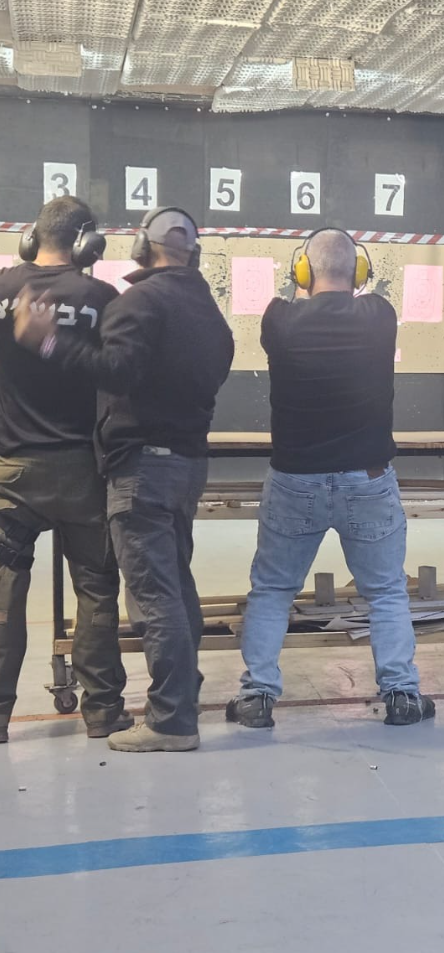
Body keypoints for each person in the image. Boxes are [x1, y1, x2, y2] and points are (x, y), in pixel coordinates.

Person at [14, 206, 234, 752]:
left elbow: (117, 371)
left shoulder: (139, 301)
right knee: (163, 588)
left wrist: (47, 339)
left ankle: (171, 720)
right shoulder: (201, 306)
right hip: (177, 464)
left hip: (134, 469)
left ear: (141, 247)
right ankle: (149, 702)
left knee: (154, 597)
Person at [226, 228, 434, 729]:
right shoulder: (380, 315)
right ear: (359, 272)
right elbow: (357, 296)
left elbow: (296, 300)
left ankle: (256, 697)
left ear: (302, 271)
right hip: (368, 479)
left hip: (295, 480)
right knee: (385, 593)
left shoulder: (279, 319)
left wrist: (301, 282)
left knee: (272, 591)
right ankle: (402, 695)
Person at [0, 197, 127, 743]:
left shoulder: (3, 288)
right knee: (96, 590)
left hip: (11, 471)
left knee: (4, 594)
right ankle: (102, 712)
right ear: (87, 244)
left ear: (32, 238)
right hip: (82, 471)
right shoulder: (102, 298)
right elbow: (118, 377)